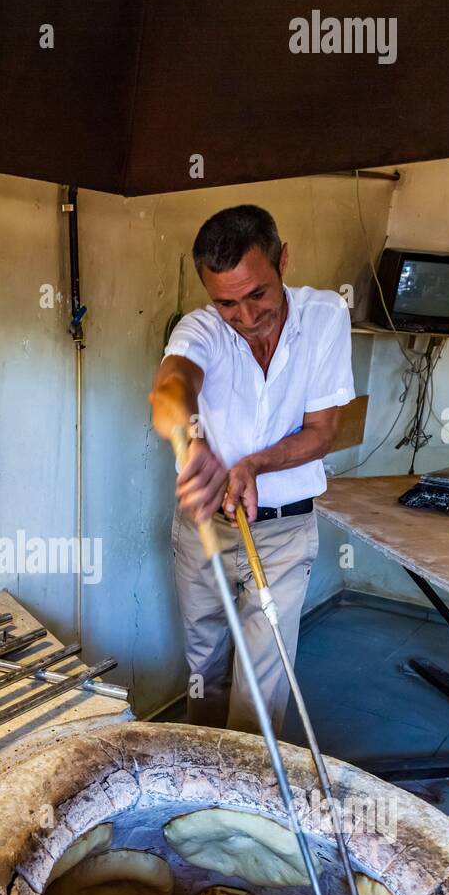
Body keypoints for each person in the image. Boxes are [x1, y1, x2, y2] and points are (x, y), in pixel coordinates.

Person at [149, 204, 354, 735]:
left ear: (283, 260)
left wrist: (253, 465)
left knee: (260, 690)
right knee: (206, 671)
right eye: (227, 303)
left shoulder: (325, 315)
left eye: (257, 294)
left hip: (284, 533)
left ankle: (242, 811)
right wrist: (191, 446)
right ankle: (200, 789)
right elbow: (171, 389)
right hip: (206, 534)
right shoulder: (202, 329)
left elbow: (321, 432)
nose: (244, 316)